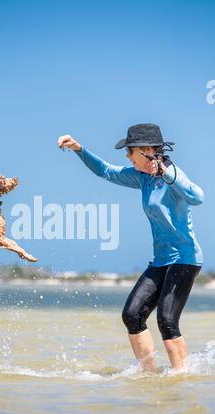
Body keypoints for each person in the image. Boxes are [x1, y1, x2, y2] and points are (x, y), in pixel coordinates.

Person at [58, 123, 204, 371]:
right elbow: (106, 171)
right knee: (132, 314)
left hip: (185, 259)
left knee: (167, 321)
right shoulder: (141, 178)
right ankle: (148, 375)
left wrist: (167, 174)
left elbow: (197, 197)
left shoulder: (174, 174)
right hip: (161, 260)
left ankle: (182, 378)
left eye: (130, 151)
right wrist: (79, 149)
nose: (127, 156)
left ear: (147, 150)